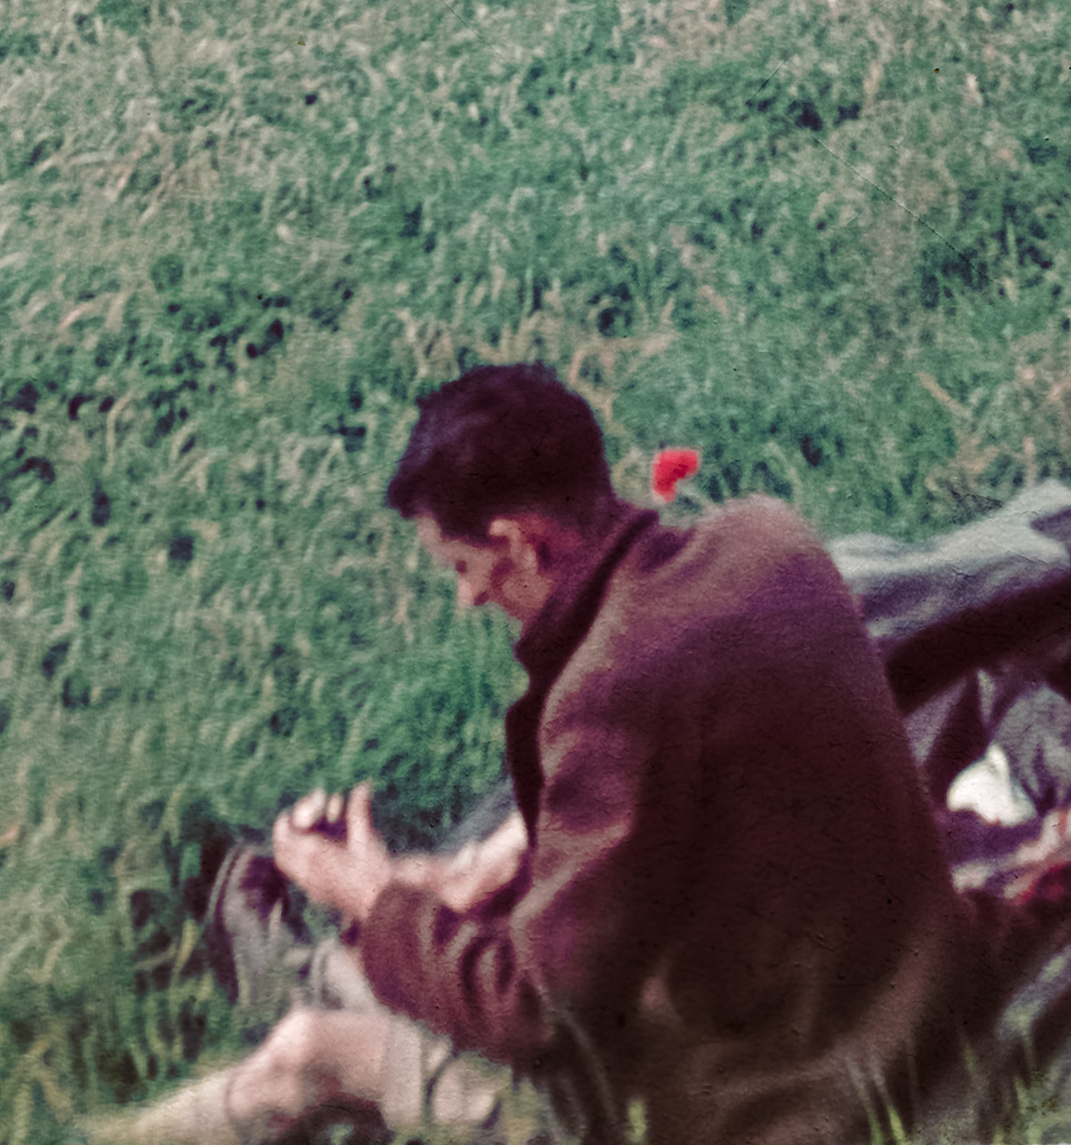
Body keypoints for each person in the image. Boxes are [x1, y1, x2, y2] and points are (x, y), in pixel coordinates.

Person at [105, 365, 993, 1144]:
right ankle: (315, 965)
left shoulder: (612, 689)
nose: (464, 600)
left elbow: (536, 1016)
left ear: (520, 540)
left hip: (772, 1100)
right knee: (397, 937)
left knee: (308, 1056)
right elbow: (695, 799)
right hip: (899, 988)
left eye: (462, 568)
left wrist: (369, 895)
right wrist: (454, 879)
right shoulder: (768, 539)